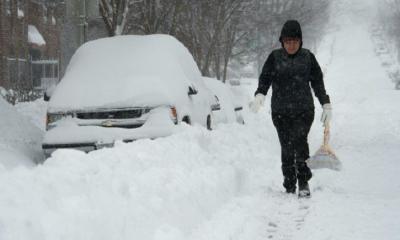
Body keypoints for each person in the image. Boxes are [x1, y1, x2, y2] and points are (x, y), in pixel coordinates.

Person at [250, 20, 332, 198]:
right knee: (286, 147)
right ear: (282, 42)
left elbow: (318, 83)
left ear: (300, 41)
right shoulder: (274, 57)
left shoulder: (308, 58)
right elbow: (265, 79)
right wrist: (260, 95)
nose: (291, 45)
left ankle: (303, 181)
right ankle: (289, 182)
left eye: (295, 41)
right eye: (288, 41)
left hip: (304, 110)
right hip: (280, 111)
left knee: (300, 143)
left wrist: (325, 103)